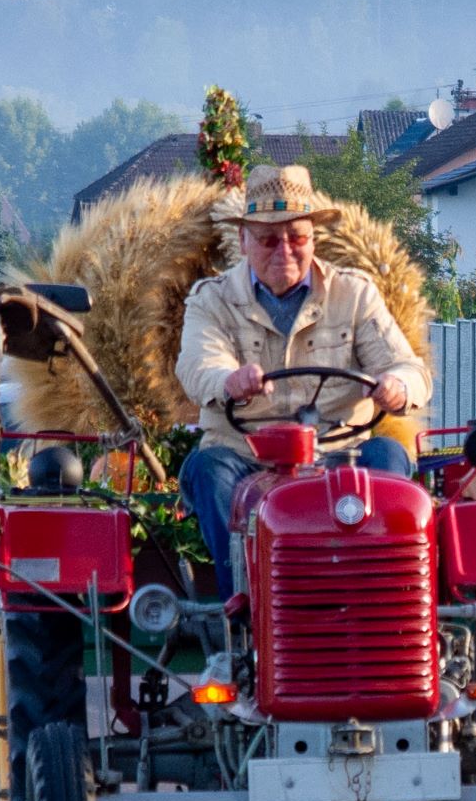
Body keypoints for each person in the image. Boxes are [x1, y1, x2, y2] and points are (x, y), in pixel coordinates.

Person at [174, 163, 429, 594]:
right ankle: (242, 607)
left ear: (314, 238)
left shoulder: (355, 294)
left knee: (388, 456)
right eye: (269, 240)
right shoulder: (212, 301)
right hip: (247, 457)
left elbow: (408, 367)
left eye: (297, 238)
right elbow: (198, 365)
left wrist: (397, 386)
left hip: (339, 453)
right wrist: (229, 380)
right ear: (243, 239)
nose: (285, 251)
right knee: (208, 469)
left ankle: (381, 597)